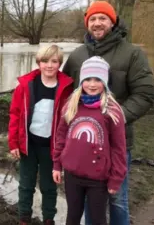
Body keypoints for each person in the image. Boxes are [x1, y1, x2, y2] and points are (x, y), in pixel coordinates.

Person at [62, 1, 154, 225]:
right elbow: (65, 95)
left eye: (102, 18)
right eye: (92, 19)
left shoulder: (132, 54)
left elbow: (145, 95)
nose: (97, 23)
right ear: (87, 24)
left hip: (117, 144)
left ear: (113, 22)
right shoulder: (76, 56)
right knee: (87, 201)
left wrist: (112, 118)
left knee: (117, 199)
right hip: (84, 145)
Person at [53, 56, 127, 225]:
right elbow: (60, 137)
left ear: (105, 82)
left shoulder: (112, 111)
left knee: (98, 219)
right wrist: (57, 165)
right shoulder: (71, 106)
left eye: (97, 80)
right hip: (72, 176)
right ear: (81, 81)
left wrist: (116, 179)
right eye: (87, 79)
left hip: (98, 179)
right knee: (72, 217)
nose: (92, 84)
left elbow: (118, 148)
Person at [8, 45, 73, 225]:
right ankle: (24, 218)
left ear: (60, 63)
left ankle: (48, 219)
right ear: (38, 63)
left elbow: (70, 118)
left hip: (51, 147)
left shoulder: (67, 87)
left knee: (49, 186)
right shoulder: (26, 85)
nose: (49, 65)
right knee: (26, 185)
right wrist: (13, 143)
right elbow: (15, 113)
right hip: (28, 146)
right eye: (45, 61)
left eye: (54, 61)